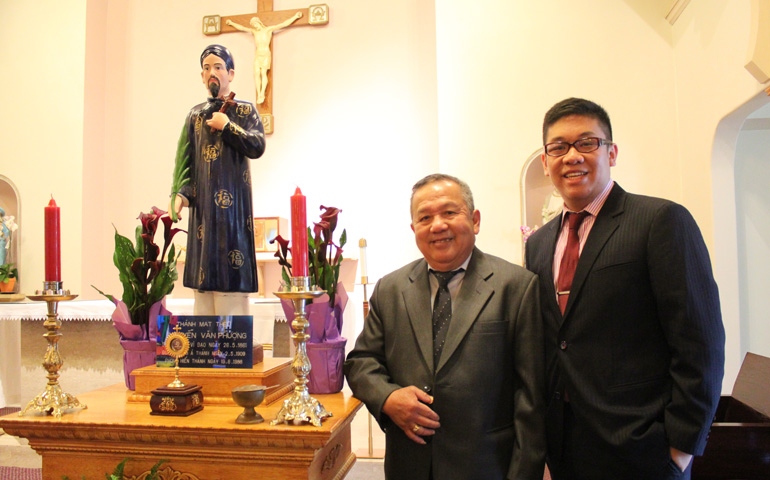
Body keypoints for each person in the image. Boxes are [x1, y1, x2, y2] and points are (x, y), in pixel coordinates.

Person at [525, 97, 725, 480]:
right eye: (558, 147)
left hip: (642, 451)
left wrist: (680, 450)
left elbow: (700, 341)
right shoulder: (539, 243)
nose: (572, 156)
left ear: (611, 152)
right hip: (564, 448)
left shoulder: (659, 221)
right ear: (547, 160)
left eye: (587, 143)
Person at [344, 174, 545, 480]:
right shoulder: (390, 288)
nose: (437, 225)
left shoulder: (516, 287)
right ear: (414, 230)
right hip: (408, 465)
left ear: (475, 220)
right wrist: (388, 398)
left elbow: (531, 400)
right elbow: (361, 363)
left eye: (450, 213)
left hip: (487, 466)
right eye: (425, 217)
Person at [173, 44, 266, 315]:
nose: (212, 73)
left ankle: (231, 348)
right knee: (203, 289)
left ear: (231, 73)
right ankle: (204, 349)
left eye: (218, 67)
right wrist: (181, 194)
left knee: (229, 286)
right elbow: (186, 162)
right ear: (202, 76)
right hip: (203, 216)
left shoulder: (245, 111)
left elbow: (257, 145)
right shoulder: (195, 115)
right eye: (206, 68)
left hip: (233, 213)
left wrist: (227, 126)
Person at [226, 13, 303, 104]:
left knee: (263, 73)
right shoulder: (255, 32)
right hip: (258, 55)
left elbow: (283, 24)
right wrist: (231, 23)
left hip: (265, 54)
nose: (255, 26)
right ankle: (259, 94)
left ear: (259, 23)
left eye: (255, 24)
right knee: (257, 74)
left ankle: (262, 93)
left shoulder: (268, 30)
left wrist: (295, 17)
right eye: (253, 25)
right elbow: (242, 28)